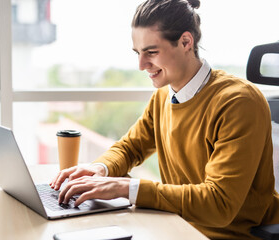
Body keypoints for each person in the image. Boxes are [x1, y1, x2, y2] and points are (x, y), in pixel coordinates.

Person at [50, 0, 279, 239]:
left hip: (231, 235)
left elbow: (219, 204)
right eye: (138, 53)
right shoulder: (163, 97)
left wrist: (124, 188)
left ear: (186, 42)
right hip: (177, 227)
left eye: (151, 52)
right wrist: (100, 168)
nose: (141, 65)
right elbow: (130, 148)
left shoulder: (237, 102)